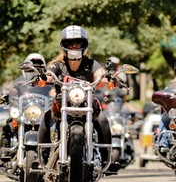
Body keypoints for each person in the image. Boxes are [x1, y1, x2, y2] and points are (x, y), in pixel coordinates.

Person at [38, 25, 120, 173]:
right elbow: (49, 73)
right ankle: (41, 159)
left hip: (87, 103)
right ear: (64, 45)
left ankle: (107, 160)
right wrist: (44, 76)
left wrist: (109, 78)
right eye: (71, 43)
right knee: (45, 119)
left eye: (78, 42)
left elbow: (100, 74)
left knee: (102, 121)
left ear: (84, 44)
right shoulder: (58, 64)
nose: (74, 46)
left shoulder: (91, 64)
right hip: (62, 103)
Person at [1, 53, 53, 159]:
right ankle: (5, 153)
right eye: (31, 69)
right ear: (25, 70)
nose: (34, 71)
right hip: (23, 114)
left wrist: (57, 96)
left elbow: (53, 94)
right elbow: (12, 93)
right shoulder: (20, 84)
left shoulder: (47, 85)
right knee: (9, 126)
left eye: (38, 68)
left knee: (53, 129)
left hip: (41, 116)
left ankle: (52, 153)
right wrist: (5, 97)